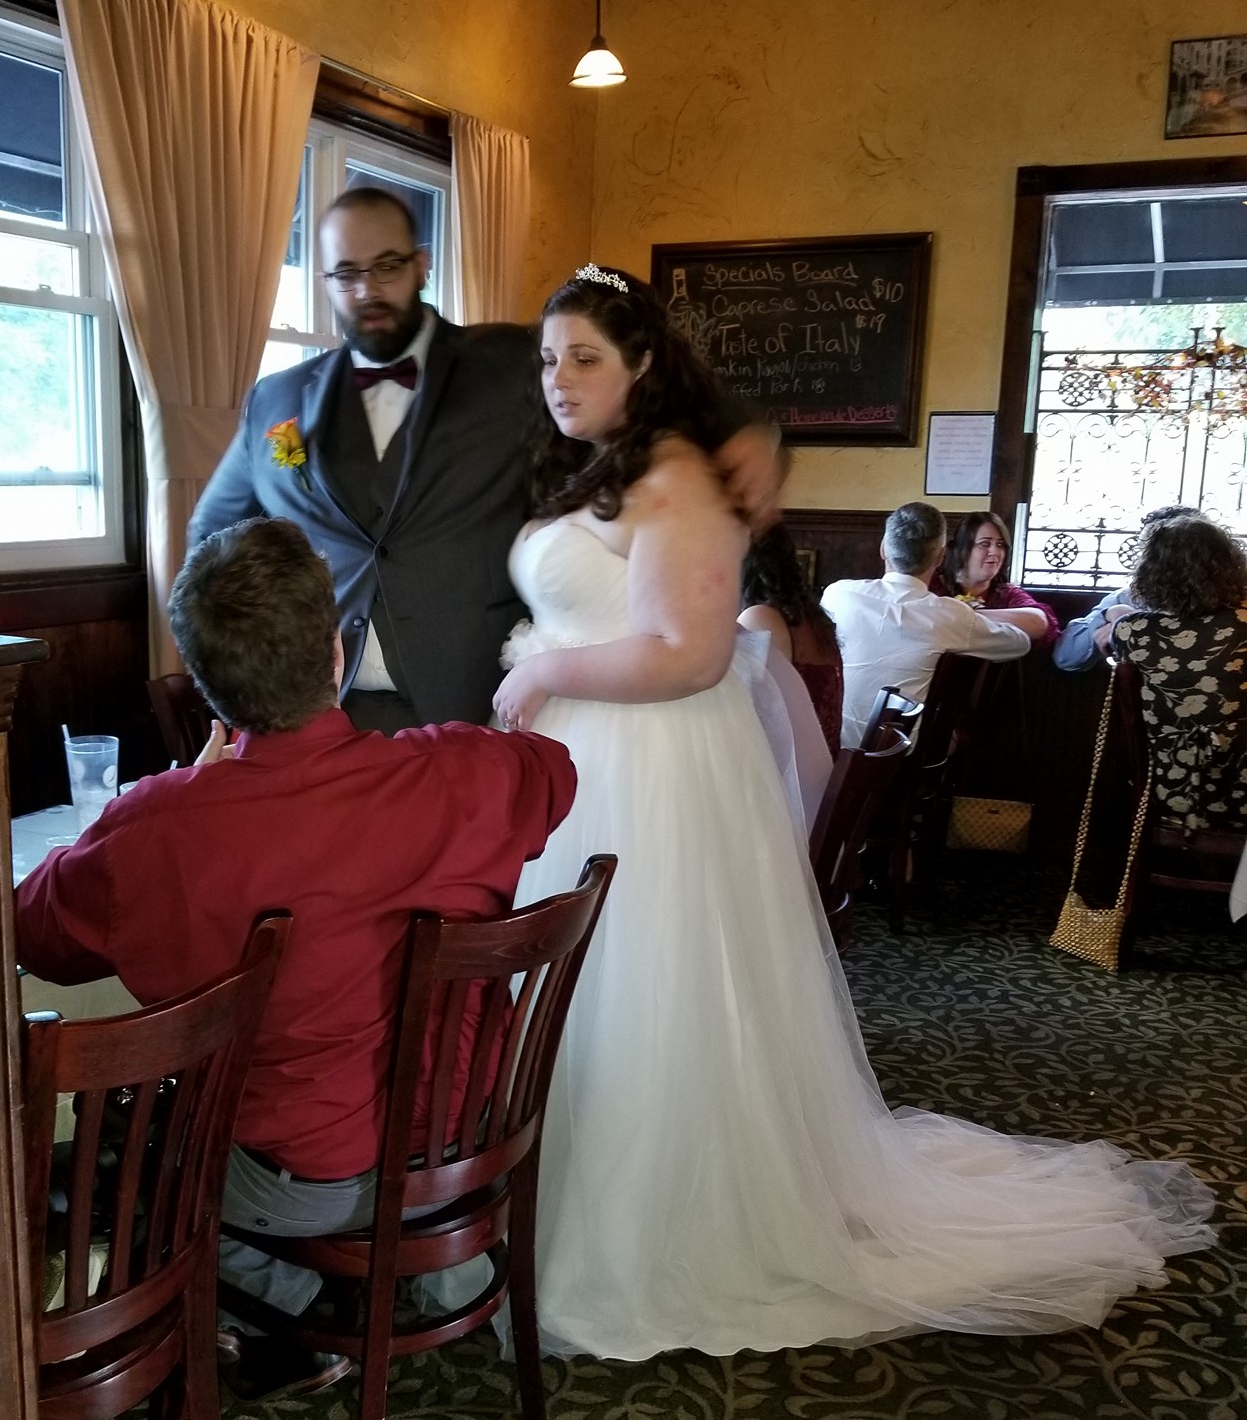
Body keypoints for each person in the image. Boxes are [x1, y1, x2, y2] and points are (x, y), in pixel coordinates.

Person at [490, 263, 1213, 1363]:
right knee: (586, 992)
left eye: (584, 356)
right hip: (590, 758)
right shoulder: (599, 467)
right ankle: (547, 1204)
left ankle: (642, 1230)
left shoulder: (675, 473)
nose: (559, 378)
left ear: (641, 362)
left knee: (643, 984)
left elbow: (688, 656)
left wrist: (545, 671)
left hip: (649, 766)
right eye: (549, 359)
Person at [16, 517, 577, 1394]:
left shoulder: (157, 831)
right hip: (464, 1136)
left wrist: (191, 784)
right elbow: (554, 770)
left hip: (298, 1180)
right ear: (336, 652)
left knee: (132, 1135)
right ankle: (387, 1276)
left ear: (208, 685)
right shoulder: (458, 774)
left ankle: (298, 1309)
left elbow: (33, 934)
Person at [186, 186, 783, 733]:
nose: (367, 290)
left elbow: (643, 375)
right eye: (347, 273)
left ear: (421, 264)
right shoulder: (276, 401)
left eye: (387, 266)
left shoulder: (508, 359)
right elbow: (211, 540)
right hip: (320, 716)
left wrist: (748, 432)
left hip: (474, 705)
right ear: (324, 280)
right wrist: (242, 680)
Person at [821, 502, 1034, 746]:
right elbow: (1020, 644)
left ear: (883, 549)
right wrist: (972, 615)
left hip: (828, 744)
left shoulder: (839, 594)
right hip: (896, 754)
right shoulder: (950, 614)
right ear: (941, 556)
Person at [1112, 512, 1247, 834]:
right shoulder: (1243, 623)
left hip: (1170, 787)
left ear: (1152, 573)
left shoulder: (1132, 631)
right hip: (1240, 784)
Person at [740, 518, 846, 753]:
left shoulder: (759, 617)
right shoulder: (809, 614)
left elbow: (741, 711)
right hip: (822, 761)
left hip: (793, 769)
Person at [1051, 505, 1192, 673]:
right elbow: (1066, 657)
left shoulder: (1219, 603)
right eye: (1146, 553)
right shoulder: (1128, 598)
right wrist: (1108, 617)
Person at [935, 511, 1060, 642]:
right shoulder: (934, 586)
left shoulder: (1006, 594)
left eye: (1000, 545)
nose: (995, 552)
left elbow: (1038, 622)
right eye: (984, 544)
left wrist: (968, 615)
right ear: (961, 549)